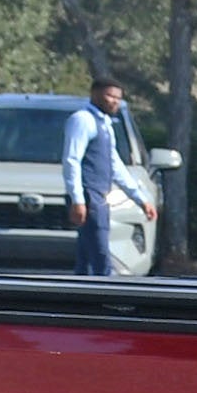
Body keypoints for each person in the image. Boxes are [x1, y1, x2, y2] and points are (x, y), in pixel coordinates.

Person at [62, 80, 130, 276]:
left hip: (100, 195)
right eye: (110, 96)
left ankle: (81, 298)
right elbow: (72, 160)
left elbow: (115, 164)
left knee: (86, 256)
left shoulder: (105, 124)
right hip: (88, 195)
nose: (114, 102)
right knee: (100, 254)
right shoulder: (83, 120)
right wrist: (77, 200)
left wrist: (139, 198)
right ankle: (107, 294)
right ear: (94, 94)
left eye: (118, 98)